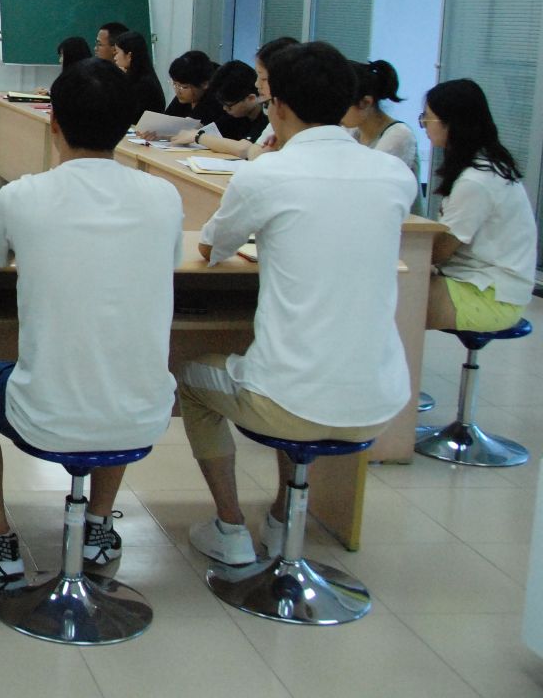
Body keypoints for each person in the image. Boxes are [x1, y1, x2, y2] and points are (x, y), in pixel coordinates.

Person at [179, 42, 415, 566]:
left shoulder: (268, 174)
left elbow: (211, 248)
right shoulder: (394, 175)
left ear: (278, 106)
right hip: (380, 399)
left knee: (192, 380)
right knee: (293, 374)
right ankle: (285, 519)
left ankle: (231, 527)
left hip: (291, 401)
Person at [0, 58, 181, 578]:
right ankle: (98, 526)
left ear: (53, 122)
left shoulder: (23, 197)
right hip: (143, 415)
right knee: (116, 364)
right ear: (127, 125)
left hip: (47, 418)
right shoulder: (165, 198)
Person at [422, 79, 535, 333]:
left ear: (452, 123)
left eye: (427, 118)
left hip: (491, 296)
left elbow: (440, 251)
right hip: (478, 282)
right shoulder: (482, 166)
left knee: (396, 297)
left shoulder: (476, 180)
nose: (425, 126)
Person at [169, 37, 296, 158]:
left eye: (263, 78)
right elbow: (253, 152)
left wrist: (198, 137)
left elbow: (245, 150)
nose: (257, 84)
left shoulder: (270, 115)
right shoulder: (237, 115)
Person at [344, 59, 418, 177]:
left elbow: (367, 180)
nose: (336, 110)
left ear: (365, 103)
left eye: (342, 105)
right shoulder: (352, 130)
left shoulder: (399, 135)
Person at [110, 30, 165, 122]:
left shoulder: (143, 84)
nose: (115, 57)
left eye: (117, 52)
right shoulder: (141, 77)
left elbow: (122, 113)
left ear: (129, 55)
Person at [164, 50, 220, 123]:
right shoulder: (184, 96)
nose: (177, 91)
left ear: (204, 84)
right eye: (174, 84)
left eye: (184, 87)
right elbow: (166, 119)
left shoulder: (217, 104)